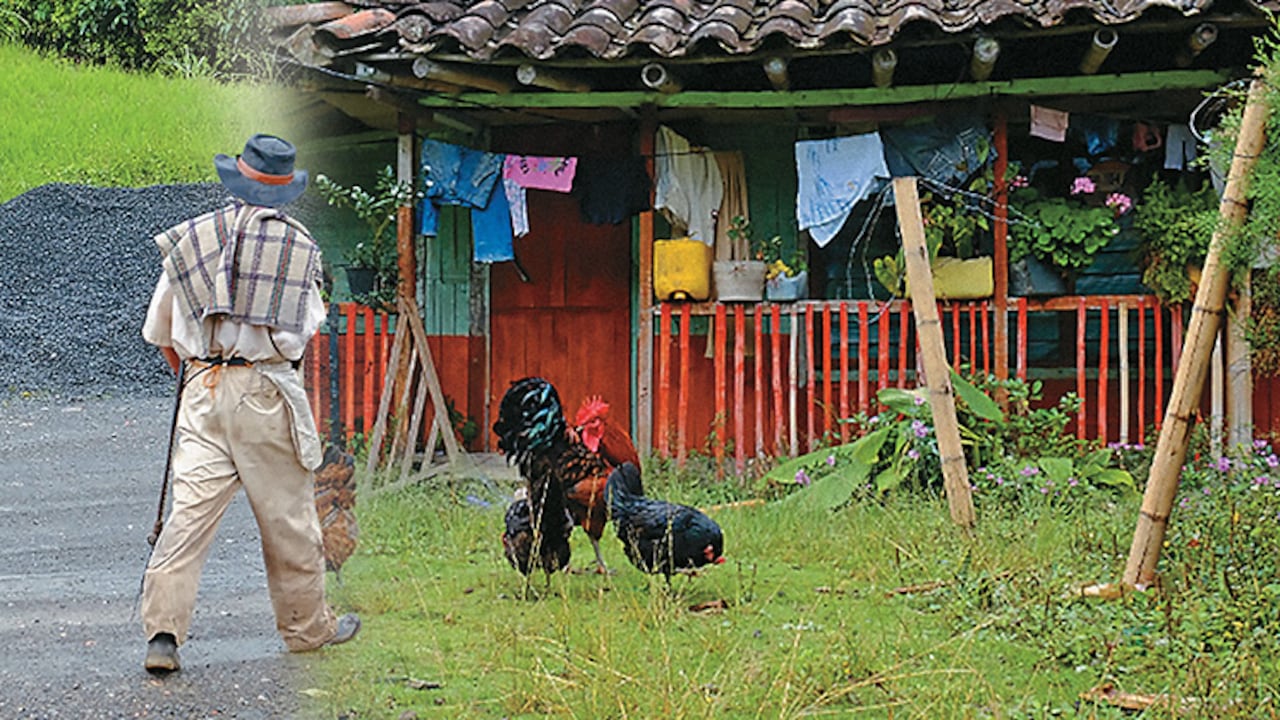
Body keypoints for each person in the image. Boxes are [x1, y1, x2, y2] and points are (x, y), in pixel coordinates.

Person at [139, 134, 359, 674]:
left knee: (186, 519)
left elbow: (161, 331)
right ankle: (308, 629)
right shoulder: (299, 248)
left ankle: (163, 636)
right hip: (265, 390)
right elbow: (303, 334)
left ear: (236, 181)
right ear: (285, 193)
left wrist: (197, 378)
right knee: (288, 519)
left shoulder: (191, 240)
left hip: (202, 389)